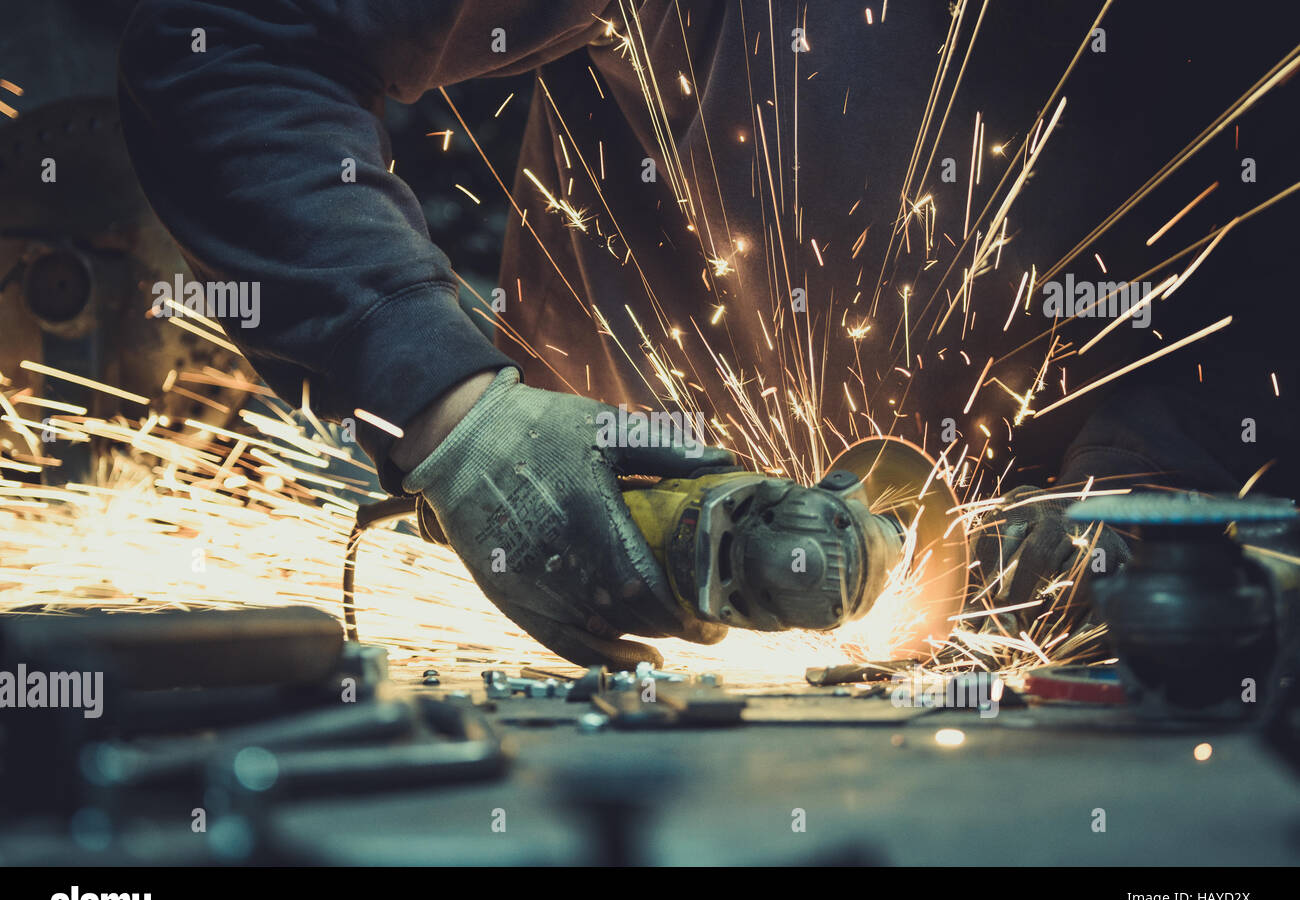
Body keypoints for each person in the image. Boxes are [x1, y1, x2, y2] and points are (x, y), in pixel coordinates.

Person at [118, 1, 1300, 666]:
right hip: (617, 582)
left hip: (1082, 680)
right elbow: (230, 37)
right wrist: (456, 412)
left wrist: (1147, 500)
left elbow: (1260, 262)